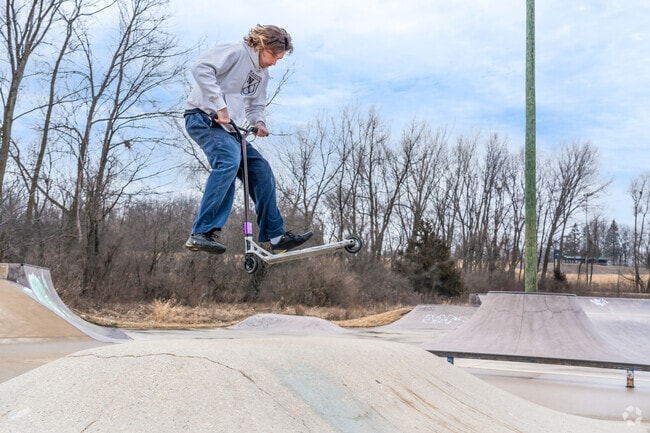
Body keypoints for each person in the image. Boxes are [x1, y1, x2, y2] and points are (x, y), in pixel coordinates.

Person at [183, 24, 312, 255]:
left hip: (231, 130)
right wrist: (220, 106)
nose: (274, 62)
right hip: (203, 117)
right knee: (229, 161)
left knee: (261, 169)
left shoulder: (262, 75)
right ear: (261, 45)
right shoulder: (235, 51)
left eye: (279, 59)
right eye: (273, 55)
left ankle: (276, 237)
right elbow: (201, 68)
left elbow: (255, 106)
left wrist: (258, 122)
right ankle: (201, 232)